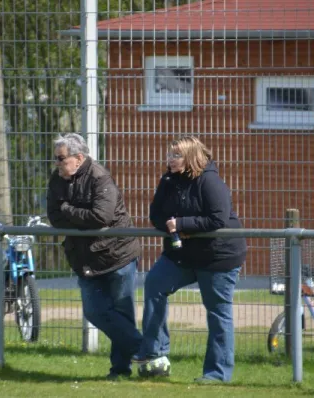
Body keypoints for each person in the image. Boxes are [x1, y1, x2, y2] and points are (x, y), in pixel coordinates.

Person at [134, 136, 247, 383]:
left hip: (217, 257)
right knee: (154, 284)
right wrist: (172, 225)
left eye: (176, 155)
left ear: (190, 158)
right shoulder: (168, 180)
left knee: (218, 313)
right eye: (170, 155)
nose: (170, 160)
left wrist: (183, 224)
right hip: (182, 255)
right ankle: (155, 351)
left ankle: (217, 374)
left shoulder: (210, 181)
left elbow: (218, 218)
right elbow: (156, 214)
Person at [46, 133, 142, 380]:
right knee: (94, 311)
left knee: (122, 314)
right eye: (55, 158)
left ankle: (120, 370)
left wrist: (68, 210)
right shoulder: (57, 179)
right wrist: (78, 218)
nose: (56, 163)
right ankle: (146, 349)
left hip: (117, 255)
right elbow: (55, 218)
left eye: (60, 158)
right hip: (85, 258)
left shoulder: (100, 177)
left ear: (78, 158)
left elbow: (101, 217)